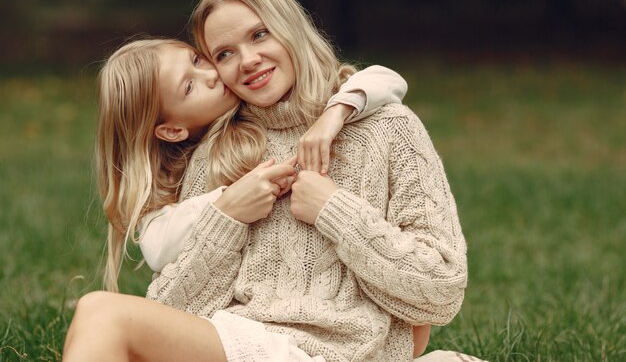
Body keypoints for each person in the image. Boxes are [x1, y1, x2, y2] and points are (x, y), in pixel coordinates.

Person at [144, 0, 468, 361]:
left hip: (348, 352)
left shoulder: (388, 128)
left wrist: (334, 210)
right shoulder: (219, 151)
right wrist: (227, 216)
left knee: (103, 315)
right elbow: (169, 314)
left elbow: (442, 290)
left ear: (290, 28)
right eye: (224, 54)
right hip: (244, 346)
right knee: (107, 316)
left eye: (260, 35)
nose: (248, 61)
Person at [62, 36, 414, 361]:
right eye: (189, 86)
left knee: (100, 313)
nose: (211, 76)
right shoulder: (197, 166)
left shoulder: (271, 100)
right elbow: (157, 246)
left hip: (306, 341)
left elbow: (385, 78)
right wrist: (227, 204)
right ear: (171, 131)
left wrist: (336, 113)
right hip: (249, 332)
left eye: (199, 60)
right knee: (96, 315)